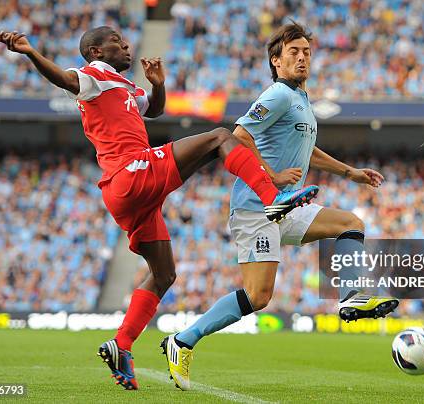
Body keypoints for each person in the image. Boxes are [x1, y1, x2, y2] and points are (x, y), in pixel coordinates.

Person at [0, 26, 318, 391]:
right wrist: (30, 52)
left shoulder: (124, 87)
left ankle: (121, 344)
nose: (127, 45)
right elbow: (65, 79)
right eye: (118, 42)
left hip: (129, 195)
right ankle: (272, 200)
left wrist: (159, 84)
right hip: (130, 172)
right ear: (97, 52)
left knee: (164, 273)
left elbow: (156, 109)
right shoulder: (94, 75)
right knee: (220, 137)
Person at [163, 22, 398, 391]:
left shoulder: (301, 100)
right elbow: (239, 135)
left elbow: (308, 151)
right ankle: (182, 340)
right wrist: (271, 174)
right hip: (257, 208)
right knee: (258, 296)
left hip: (285, 205)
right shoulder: (277, 94)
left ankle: (351, 298)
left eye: (306, 52)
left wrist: (349, 171)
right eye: (294, 52)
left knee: (351, 223)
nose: (302, 57)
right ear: (276, 61)